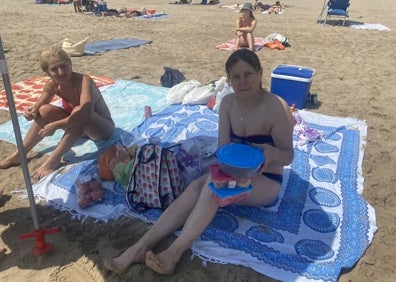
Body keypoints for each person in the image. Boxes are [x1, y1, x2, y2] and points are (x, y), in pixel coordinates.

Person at [103, 49, 294, 275]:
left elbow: (288, 155)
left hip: (266, 178)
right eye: (236, 76)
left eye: (248, 74)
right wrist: (230, 162)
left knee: (214, 187)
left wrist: (271, 152)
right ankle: (139, 247)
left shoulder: (275, 107)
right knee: (196, 186)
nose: (242, 82)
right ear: (229, 80)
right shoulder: (229, 103)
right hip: (234, 170)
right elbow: (222, 147)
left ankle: (174, 252)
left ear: (260, 74)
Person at [0, 46, 115, 179]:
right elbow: (39, 106)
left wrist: (55, 125)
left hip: (101, 129)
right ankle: (20, 154)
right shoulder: (52, 85)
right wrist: (31, 111)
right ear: (47, 71)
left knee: (78, 110)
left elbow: (84, 113)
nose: (61, 72)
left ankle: (54, 160)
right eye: (54, 69)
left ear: (70, 64)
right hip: (79, 128)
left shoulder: (84, 81)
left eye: (63, 66)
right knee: (45, 110)